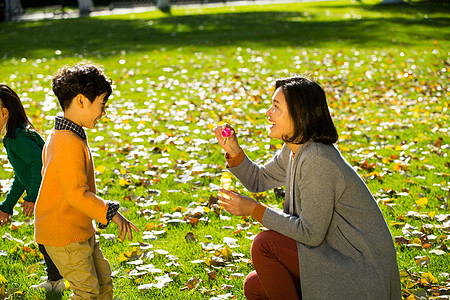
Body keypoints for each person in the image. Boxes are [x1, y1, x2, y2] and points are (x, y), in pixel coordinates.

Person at [213, 76, 401, 299]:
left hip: (359, 269)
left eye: (276, 107)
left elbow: (310, 234)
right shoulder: (295, 149)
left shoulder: (318, 159)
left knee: (265, 245)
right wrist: (234, 151)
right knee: (255, 286)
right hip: (334, 256)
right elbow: (259, 180)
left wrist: (254, 209)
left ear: (299, 116)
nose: (268, 113)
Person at [34, 63, 139, 299]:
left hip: (79, 229)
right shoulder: (67, 143)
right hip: (64, 234)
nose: (103, 112)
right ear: (81, 101)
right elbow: (75, 194)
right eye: (102, 104)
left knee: (102, 280)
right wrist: (110, 212)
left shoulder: (65, 134)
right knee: (87, 292)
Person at [0, 83, 66, 293]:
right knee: (45, 239)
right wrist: (8, 205)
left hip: (50, 194)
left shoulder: (18, 138)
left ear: (4, 112)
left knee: (49, 240)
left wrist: (33, 196)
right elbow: (23, 176)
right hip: (46, 193)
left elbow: (39, 163)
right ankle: (57, 279)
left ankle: (62, 280)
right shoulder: (14, 137)